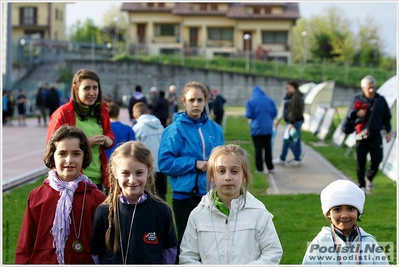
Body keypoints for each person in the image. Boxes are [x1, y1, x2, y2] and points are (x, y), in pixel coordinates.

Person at [15, 125, 107, 264]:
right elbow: (25, 245)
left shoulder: (97, 198)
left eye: (76, 154)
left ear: (84, 156)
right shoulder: (37, 197)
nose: (69, 160)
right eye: (62, 153)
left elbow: (106, 247)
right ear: (53, 156)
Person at [179, 144, 283, 264]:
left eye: (234, 171)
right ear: (212, 175)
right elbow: (187, 257)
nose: (228, 177)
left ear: (244, 176)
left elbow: (272, 251)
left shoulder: (258, 212)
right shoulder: (198, 215)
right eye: (221, 171)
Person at [158, 81, 225, 252]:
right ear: (183, 101)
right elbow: (165, 163)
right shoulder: (174, 129)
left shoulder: (216, 129)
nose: (196, 104)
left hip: (212, 194)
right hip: (185, 195)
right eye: (191, 100)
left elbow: (223, 160)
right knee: (187, 243)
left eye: (200, 100)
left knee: (211, 243)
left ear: (206, 101)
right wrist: (194, 164)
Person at [91, 141, 178, 264]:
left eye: (139, 173)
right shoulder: (104, 212)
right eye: (125, 173)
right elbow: (97, 255)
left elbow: (169, 252)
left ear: (149, 171)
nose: (132, 180)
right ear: (115, 173)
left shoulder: (162, 210)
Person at [46, 69, 115, 192]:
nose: (92, 92)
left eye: (95, 88)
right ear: (76, 88)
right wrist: (86, 143)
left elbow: (109, 132)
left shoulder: (102, 111)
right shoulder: (63, 113)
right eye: (86, 88)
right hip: (72, 182)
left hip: (98, 180)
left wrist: (108, 139)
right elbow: (52, 148)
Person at [302, 179, 389, 265]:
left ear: (358, 212)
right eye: (337, 209)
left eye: (350, 209)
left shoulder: (369, 241)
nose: (344, 215)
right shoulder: (320, 242)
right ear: (328, 213)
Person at [345, 75, 392, 193]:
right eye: (369, 88)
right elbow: (350, 114)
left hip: (376, 135)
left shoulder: (381, 100)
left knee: (377, 160)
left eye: (373, 87)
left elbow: (387, 116)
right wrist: (357, 113)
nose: (371, 90)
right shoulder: (358, 99)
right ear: (363, 88)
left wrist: (388, 131)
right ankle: (361, 184)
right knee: (360, 161)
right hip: (361, 135)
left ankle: (369, 177)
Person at [132, 102, 166, 200]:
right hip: (161, 166)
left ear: (135, 115)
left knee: (147, 196)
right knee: (161, 196)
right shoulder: (160, 126)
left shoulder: (137, 128)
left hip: (147, 167)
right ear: (148, 112)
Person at [245, 85, 278, 174]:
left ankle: (260, 169)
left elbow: (248, 115)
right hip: (268, 128)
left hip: (256, 129)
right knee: (268, 148)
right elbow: (275, 113)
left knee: (258, 149)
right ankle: (270, 167)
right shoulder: (270, 100)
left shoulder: (251, 102)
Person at [273, 81, 304, 166]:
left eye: (288, 88)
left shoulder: (296, 97)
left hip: (294, 122)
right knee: (287, 140)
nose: (287, 90)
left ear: (293, 87)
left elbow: (295, 111)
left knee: (293, 140)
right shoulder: (290, 96)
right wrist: (278, 119)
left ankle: (297, 156)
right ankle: (284, 157)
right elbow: (284, 109)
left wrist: (291, 123)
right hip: (292, 122)